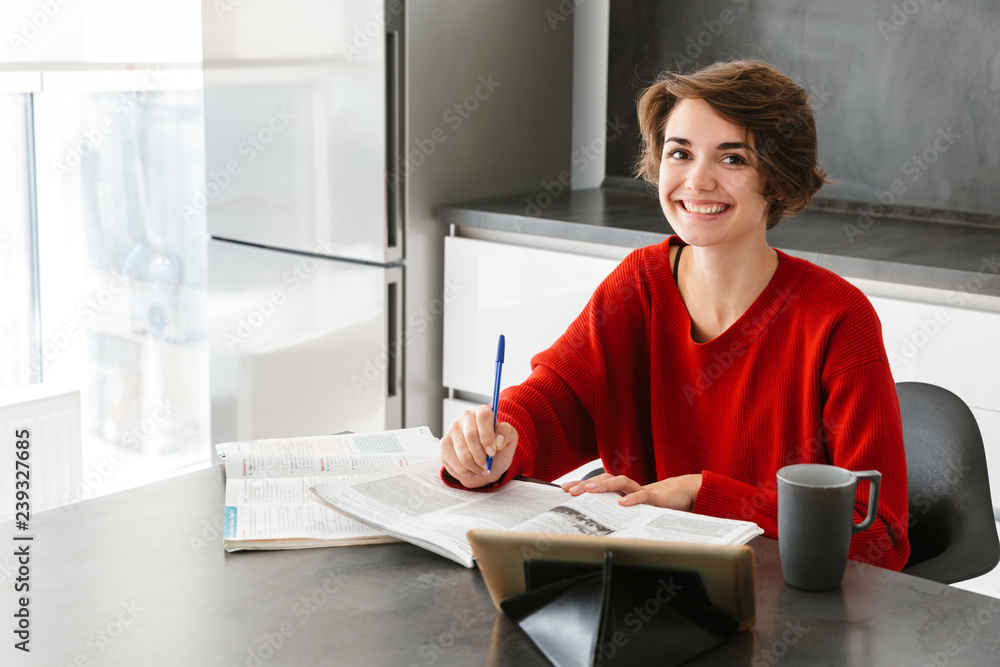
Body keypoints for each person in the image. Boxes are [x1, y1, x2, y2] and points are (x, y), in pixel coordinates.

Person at [439, 59, 909, 571]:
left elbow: (878, 538)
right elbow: (554, 403)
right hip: (649, 592)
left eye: (732, 160)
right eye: (680, 153)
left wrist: (699, 495)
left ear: (776, 180)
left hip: (787, 614)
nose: (697, 181)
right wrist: (498, 441)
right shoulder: (638, 284)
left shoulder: (838, 318)